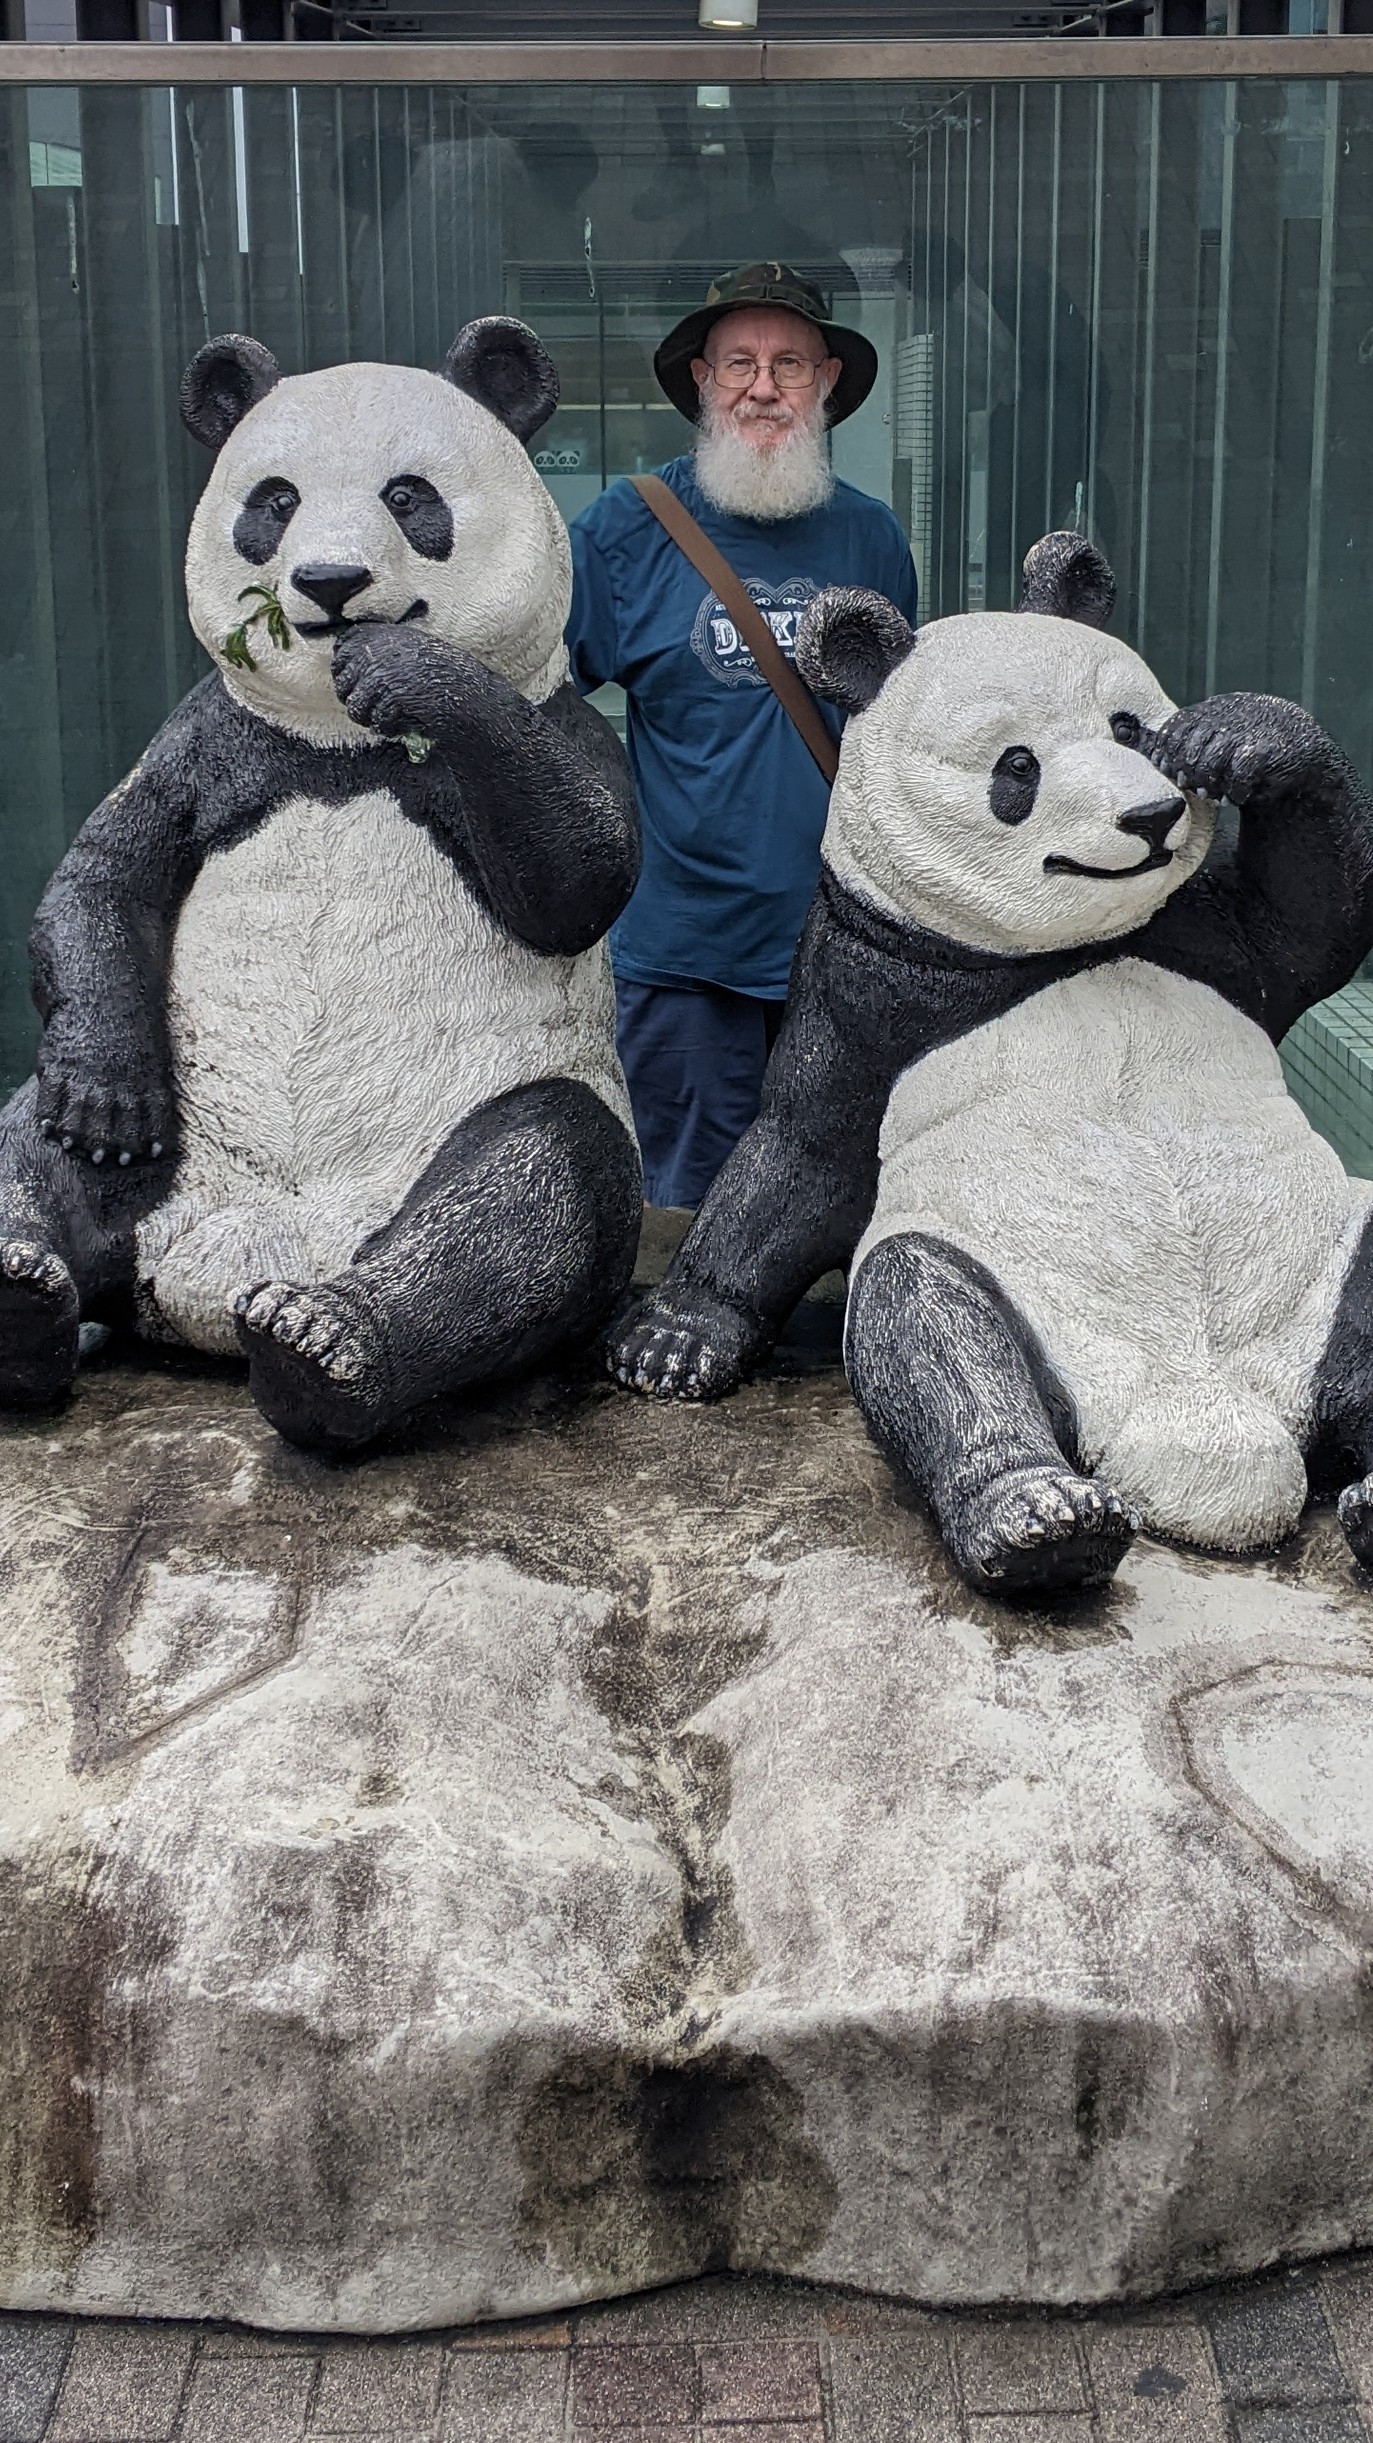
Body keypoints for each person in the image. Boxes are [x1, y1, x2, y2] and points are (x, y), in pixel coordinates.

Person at [566, 261, 920, 1209]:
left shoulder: (873, 541)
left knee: (832, 1209)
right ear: (700, 380)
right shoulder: (623, 531)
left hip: (840, 955)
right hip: (684, 958)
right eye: (738, 364)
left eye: (790, 364)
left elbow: (896, 737)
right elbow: (547, 705)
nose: (763, 387)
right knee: (684, 1214)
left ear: (827, 383)